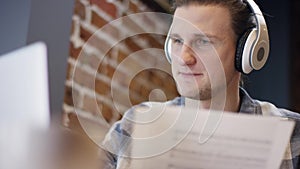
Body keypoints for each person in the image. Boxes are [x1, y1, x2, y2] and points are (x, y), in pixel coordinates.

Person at [102, 0, 300, 169]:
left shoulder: (293, 135)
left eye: (203, 42)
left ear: (245, 52)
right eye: (177, 41)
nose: (184, 58)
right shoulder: (134, 126)